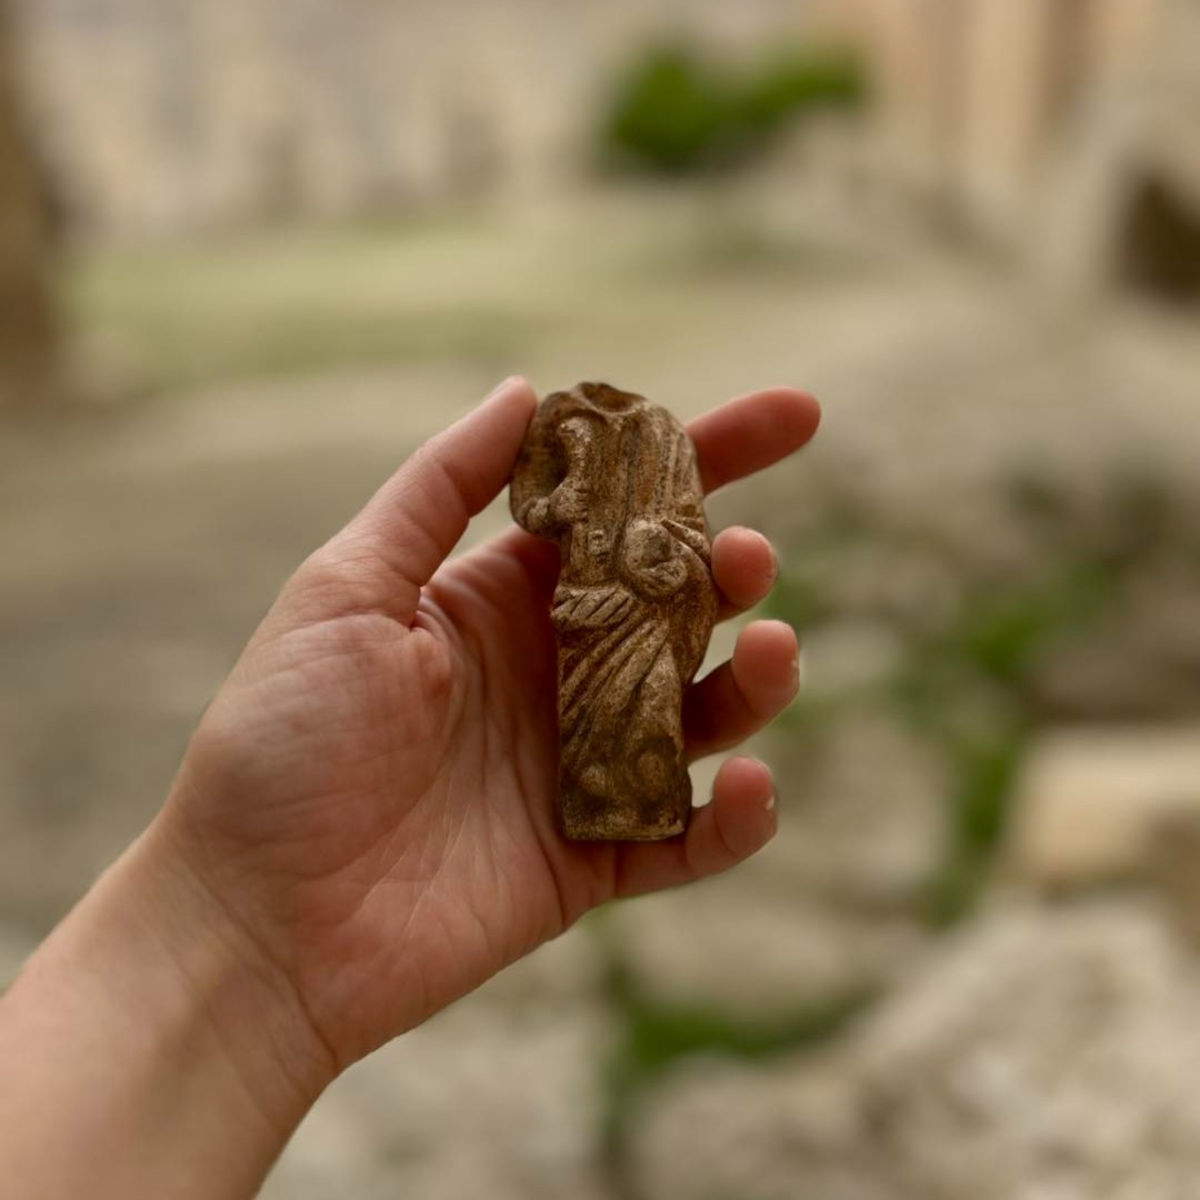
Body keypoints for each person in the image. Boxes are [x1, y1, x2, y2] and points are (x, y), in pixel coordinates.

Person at [0, 377, 819, 1197]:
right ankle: (611, 780)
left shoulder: (649, 442)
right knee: (606, 701)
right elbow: (537, 507)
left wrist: (654, 555)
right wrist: (241, 915)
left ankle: (625, 784)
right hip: (592, 603)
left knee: (638, 702)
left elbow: (626, 532)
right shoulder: (576, 431)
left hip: (630, 599)